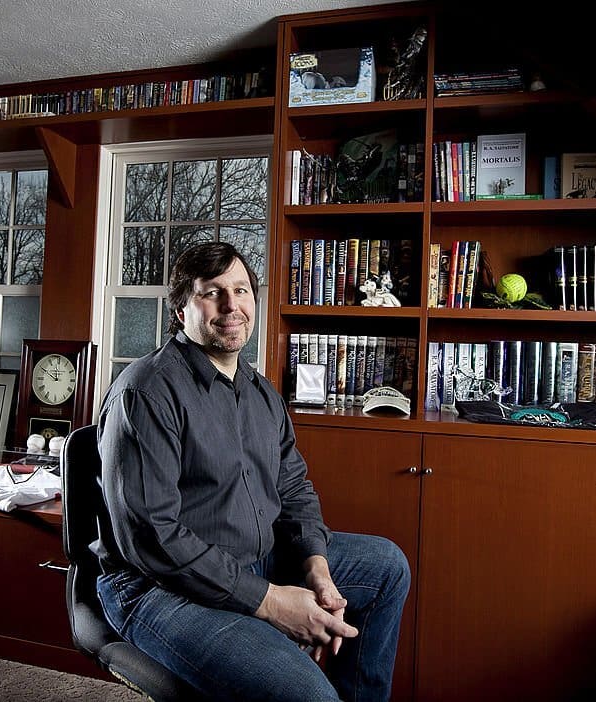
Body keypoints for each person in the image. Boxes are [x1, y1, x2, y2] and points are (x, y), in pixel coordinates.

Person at [94, 242, 410, 701]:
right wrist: (272, 602)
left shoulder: (260, 392)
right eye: (212, 292)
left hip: (255, 557)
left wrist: (315, 567)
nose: (231, 305)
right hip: (159, 588)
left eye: (241, 290)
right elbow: (153, 538)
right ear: (181, 309)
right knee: (311, 697)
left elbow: (294, 488)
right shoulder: (146, 393)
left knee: (386, 567)